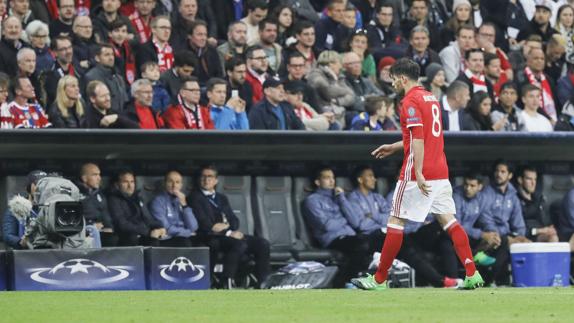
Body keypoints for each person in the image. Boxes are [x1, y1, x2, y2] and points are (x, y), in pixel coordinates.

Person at [351, 58, 483, 291]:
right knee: (449, 221)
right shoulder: (430, 98)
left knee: (395, 221)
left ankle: (379, 279)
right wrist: (395, 146)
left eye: (393, 78)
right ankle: (472, 274)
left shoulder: (409, 101)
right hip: (441, 169)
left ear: (402, 77)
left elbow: (419, 140)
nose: (391, 83)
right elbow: (424, 135)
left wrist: (419, 173)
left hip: (417, 172)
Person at [190, 165, 270, 288]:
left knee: (262, 243)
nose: (206, 180)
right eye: (203, 177)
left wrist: (227, 227)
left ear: (216, 180)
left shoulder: (222, 198)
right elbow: (205, 224)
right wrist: (228, 232)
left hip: (228, 234)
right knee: (239, 244)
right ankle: (226, 280)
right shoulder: (194, 197)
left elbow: (234, 220)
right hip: (210, 237)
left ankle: (264, 281)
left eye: (210, 177)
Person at [303, 166, 374, 287]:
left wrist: (342, 199)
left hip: (350, 236)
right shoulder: (312, 200)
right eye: (327, 178)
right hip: (332, 239)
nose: (332, 181)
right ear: (317, 182)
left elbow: (355, 222)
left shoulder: (339, 198)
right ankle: (344, 282)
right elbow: (327, 226)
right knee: (361, 244)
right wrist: (344, 218)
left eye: (333, 178)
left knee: (375, 240)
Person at [452, 173, 509, 285]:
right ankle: (475, 254)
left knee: (503, 240)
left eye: (472, 186)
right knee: (461, 236)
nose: (468, 188)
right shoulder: (456, 196)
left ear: (480, 187)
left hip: (472, 236)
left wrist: (494, 234)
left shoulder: (482, 198)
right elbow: (456, 225)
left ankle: (489, 281)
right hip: (456, 235)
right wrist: (482, 235)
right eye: (466, 185)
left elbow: (486, 219)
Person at [107, 169, 167, 246]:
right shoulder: (113, 200)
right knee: (132, 238)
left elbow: (149, 219)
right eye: (125, 182)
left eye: (132, 182)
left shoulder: (138, 198)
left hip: (143, 234)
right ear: (117, 184)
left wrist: (160, 227)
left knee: (156, 239)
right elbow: (122, 224)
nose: (130, 185)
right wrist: (148, 232)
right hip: (127, 237)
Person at [150, 170, 199, 247]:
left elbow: (193, 227)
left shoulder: (182, 200)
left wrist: (184, 205)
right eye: (170, 181)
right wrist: (187, 233)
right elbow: (167, 228)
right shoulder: (158, 201)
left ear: (181, 185)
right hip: (168, 238)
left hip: (184, 237)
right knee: (185, 242)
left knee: (202, 243)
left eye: (177, 182)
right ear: (165, 183)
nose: (174, 185)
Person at [2, 170, 47, 249]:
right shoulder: (16, 208)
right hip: (24, 255)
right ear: (28, 187)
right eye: (37, 183)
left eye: (45, 184)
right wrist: (21, 242)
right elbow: (8, 235)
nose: (41, 187)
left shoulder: (53, 208)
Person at [77, 163, 118, 247]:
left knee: (112, 237)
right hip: (83, 232)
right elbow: (74, 217)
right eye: (95, 175)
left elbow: (105, 214)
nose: (99, 178)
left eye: (99, 175)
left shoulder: (99, 194)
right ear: (84, 178)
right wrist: (91, 225)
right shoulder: (75, 193)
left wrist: (108, 227)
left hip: (100, 230)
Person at [516, 166, 559, 242]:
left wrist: (550, 228)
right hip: (525, 236)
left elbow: (547, 220)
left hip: (542, 233)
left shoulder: (539, 200)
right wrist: (539, 231)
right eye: (529, 179)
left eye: (535, 179)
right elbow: (517, 228)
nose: (533, 183)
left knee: (554, 236)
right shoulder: (515, 201)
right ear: (520, 180)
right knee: (552, 238)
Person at [83, 44, 129, 113]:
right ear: (97, 58)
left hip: (120, 118)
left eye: (112, 55)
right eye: (107, 55)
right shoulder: (92, 76)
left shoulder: (118, 77)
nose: (111, 58)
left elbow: (125, 101)